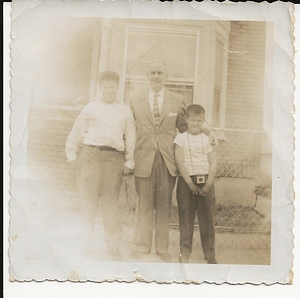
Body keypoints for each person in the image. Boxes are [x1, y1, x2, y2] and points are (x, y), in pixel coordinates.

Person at [130, 60, 216, 262]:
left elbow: (187, 126)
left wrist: (208, 130)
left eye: (160, 72)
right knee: (143, 206)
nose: (156, 76)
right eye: (153, 72)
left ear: (166, 76)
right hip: (143, 158)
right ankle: (142, 247)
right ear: (147, 76)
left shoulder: (177, 100)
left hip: (167, 160)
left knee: (163, 206)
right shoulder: (135, 99)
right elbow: (128, 127)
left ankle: (162, 249)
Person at [65, 71, 136, 261]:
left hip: (113, 159)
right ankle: (84, 243)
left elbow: (130, 136)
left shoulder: (125, 110)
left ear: (117, 88)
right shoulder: (90, 108)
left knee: (111, 206)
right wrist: (71, 153)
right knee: (88, 203)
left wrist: (130, 160)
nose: (109, 90)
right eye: (105, 87)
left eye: (112, 87)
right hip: (90, 156)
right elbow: (77, 131)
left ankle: (113, 246)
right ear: (100, 88)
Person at [174, 104, 217, 264]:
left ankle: (210, 255)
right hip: (186, 182)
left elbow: (213, 163)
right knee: (186, 218)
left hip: (206, 180)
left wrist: (208, 184)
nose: (196, 124)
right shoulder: (180, 138)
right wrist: (190, 184)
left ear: (203, 121)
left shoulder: (208, 140)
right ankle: (185, 252)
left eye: (199, 121)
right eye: (193, 120)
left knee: (208, 219)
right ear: (187, 120)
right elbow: (179, 161)